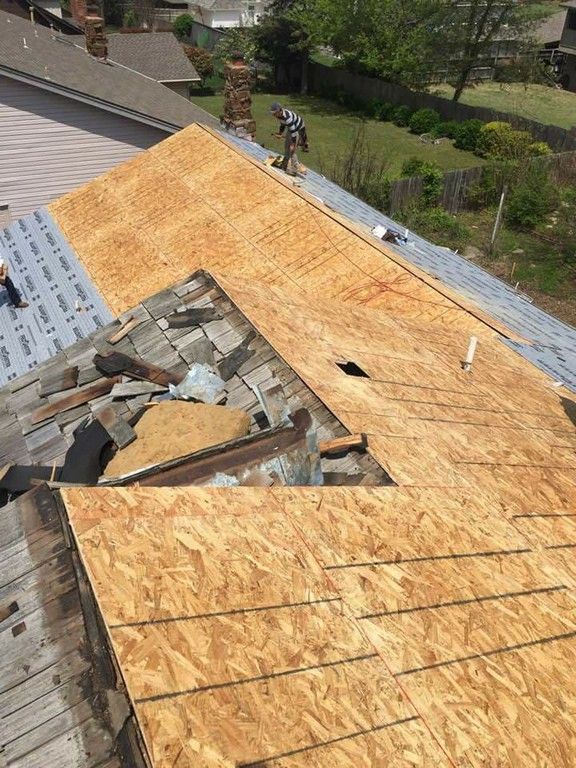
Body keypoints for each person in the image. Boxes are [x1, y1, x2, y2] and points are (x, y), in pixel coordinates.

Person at [270, 102, 309, 174]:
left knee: (291, 150)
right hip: (291, 128)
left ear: (280, 110)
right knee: (286, 146)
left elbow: (294, 132)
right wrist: (280, 133)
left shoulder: (288, 118)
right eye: (273, 113)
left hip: (297, 129)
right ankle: (285, 165)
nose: (274, 115)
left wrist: (293, 144)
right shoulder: (279, 115)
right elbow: (282, 124)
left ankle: (294, 169)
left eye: (275, 113)